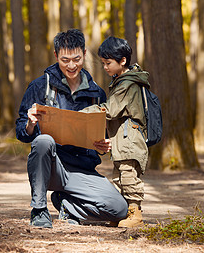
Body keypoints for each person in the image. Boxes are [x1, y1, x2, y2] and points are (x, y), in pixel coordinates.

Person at [15, 29, 128, 228]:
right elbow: (22, 133)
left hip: (81, 171)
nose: (71, 65)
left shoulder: (96, 93)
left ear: (84, 54)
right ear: (56, 56)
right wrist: (31, 123)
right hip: (51, 168)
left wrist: (103, 145)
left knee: (119, 209)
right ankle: (39, 210)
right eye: (65, 60)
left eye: (76, 59)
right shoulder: (40, 87)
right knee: (43, 140)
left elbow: (101, 138)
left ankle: (67, 206)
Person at [83, 36, 150, 228]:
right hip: (122, 139)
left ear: (123, 61)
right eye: (103, 63)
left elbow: (110, 109)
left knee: (129, 176)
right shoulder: (121, 81)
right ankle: (122, 212)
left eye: (108, 63)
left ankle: (135, 213)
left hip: (131, 138)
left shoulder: (127, 84)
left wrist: (84, 113)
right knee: (119, 177)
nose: (105, 67)